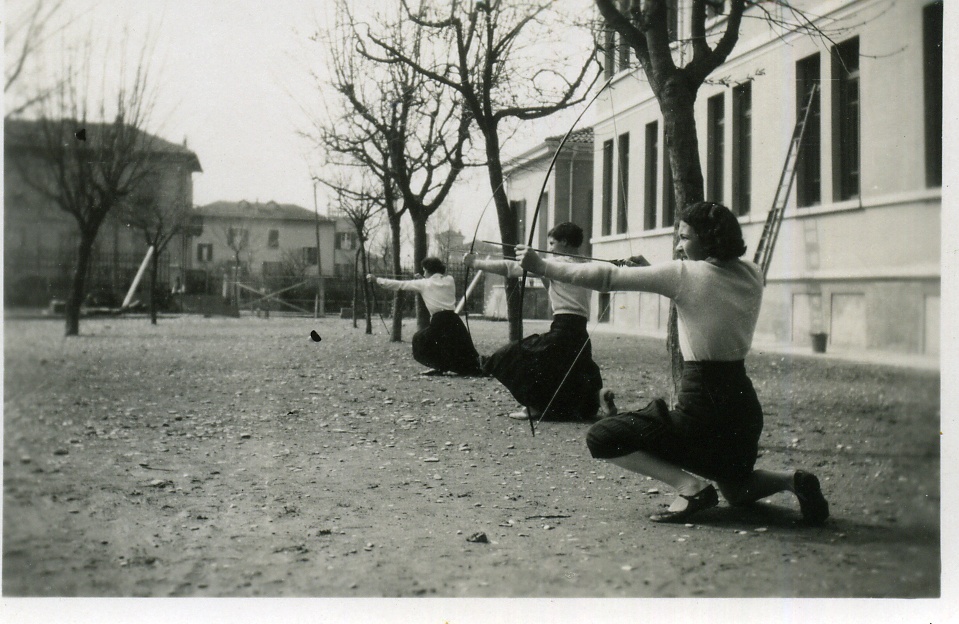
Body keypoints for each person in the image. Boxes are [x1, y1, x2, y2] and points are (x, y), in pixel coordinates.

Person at [516, 202, 829, 525]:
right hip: (742, 411)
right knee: (736, 490)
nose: (679, 245)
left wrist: (542, 266)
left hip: (702, 404)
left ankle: (691, 489)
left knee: (602, 436)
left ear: (708, 239)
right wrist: (652, 271)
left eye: (685, 237)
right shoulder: (751, 272)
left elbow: (607, 278)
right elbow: (702, 293)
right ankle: (791, 480)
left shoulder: (684, 274)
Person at [465, 222, 609, 423]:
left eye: (552, 243)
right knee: (570, 372)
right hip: (580, 333)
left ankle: (533, 406)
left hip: (562, 328)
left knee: (511, 356)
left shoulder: (555, 265)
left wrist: (476, 263)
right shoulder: (589, 266)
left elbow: (509, 267)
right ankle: (597, 397)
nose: (550, 248)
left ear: (564, 242)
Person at [367, 256, 484, 377]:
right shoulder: (450, 280)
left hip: (439, 320)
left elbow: (400, 285)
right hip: (453, 320)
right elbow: (435, 285)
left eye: (424, 270)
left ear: (428, 270)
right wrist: (424, 279)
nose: (423, 273)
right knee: (456, 346)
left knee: (419, 341)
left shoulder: (424, 284)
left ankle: (440, 366)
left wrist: (376, 280)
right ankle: (455, 367)